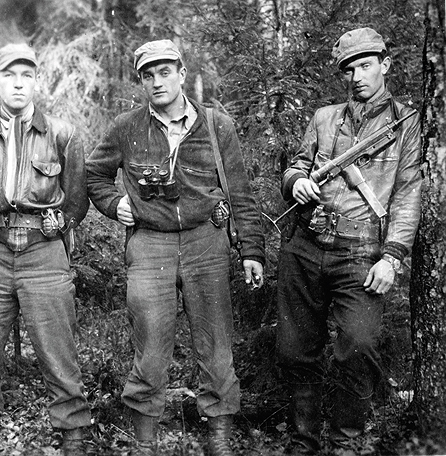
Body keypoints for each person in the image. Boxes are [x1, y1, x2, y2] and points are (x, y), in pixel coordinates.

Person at [86, 39, 265, 456]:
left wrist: (252, 251)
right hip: (150, 245)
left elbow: (240, 192)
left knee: (216, 343)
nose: (156, 81)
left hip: (207, 242)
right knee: (149, 343)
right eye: (148, 75)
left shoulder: (217, 125)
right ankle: (145, 437)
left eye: (165, 72)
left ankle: (219, 432)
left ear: (182, 74)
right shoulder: (126, 127)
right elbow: (93, 175)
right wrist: (117, 204)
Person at [276, 28, 421, 454]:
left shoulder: (406, 123)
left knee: (357, 348)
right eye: (349, 69)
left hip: (361, 253)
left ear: (385, 65)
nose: (356, 76)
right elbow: (296, 165)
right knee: (294, 349)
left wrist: (393, 257)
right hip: (305, 245)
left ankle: (345, 443)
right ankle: (303, 442)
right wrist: (297, 181)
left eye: (365, 65)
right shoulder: (325, 118)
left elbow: (409, 192)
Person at [0, 42, 91, 455]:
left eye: (26, 75)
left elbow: (76, 199)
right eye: (9, 75)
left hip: (44, 253)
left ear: (37, 81)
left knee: (57, 349)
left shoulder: (62, 134)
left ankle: (73, 436)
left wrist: (57, 226)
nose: (18, 84)